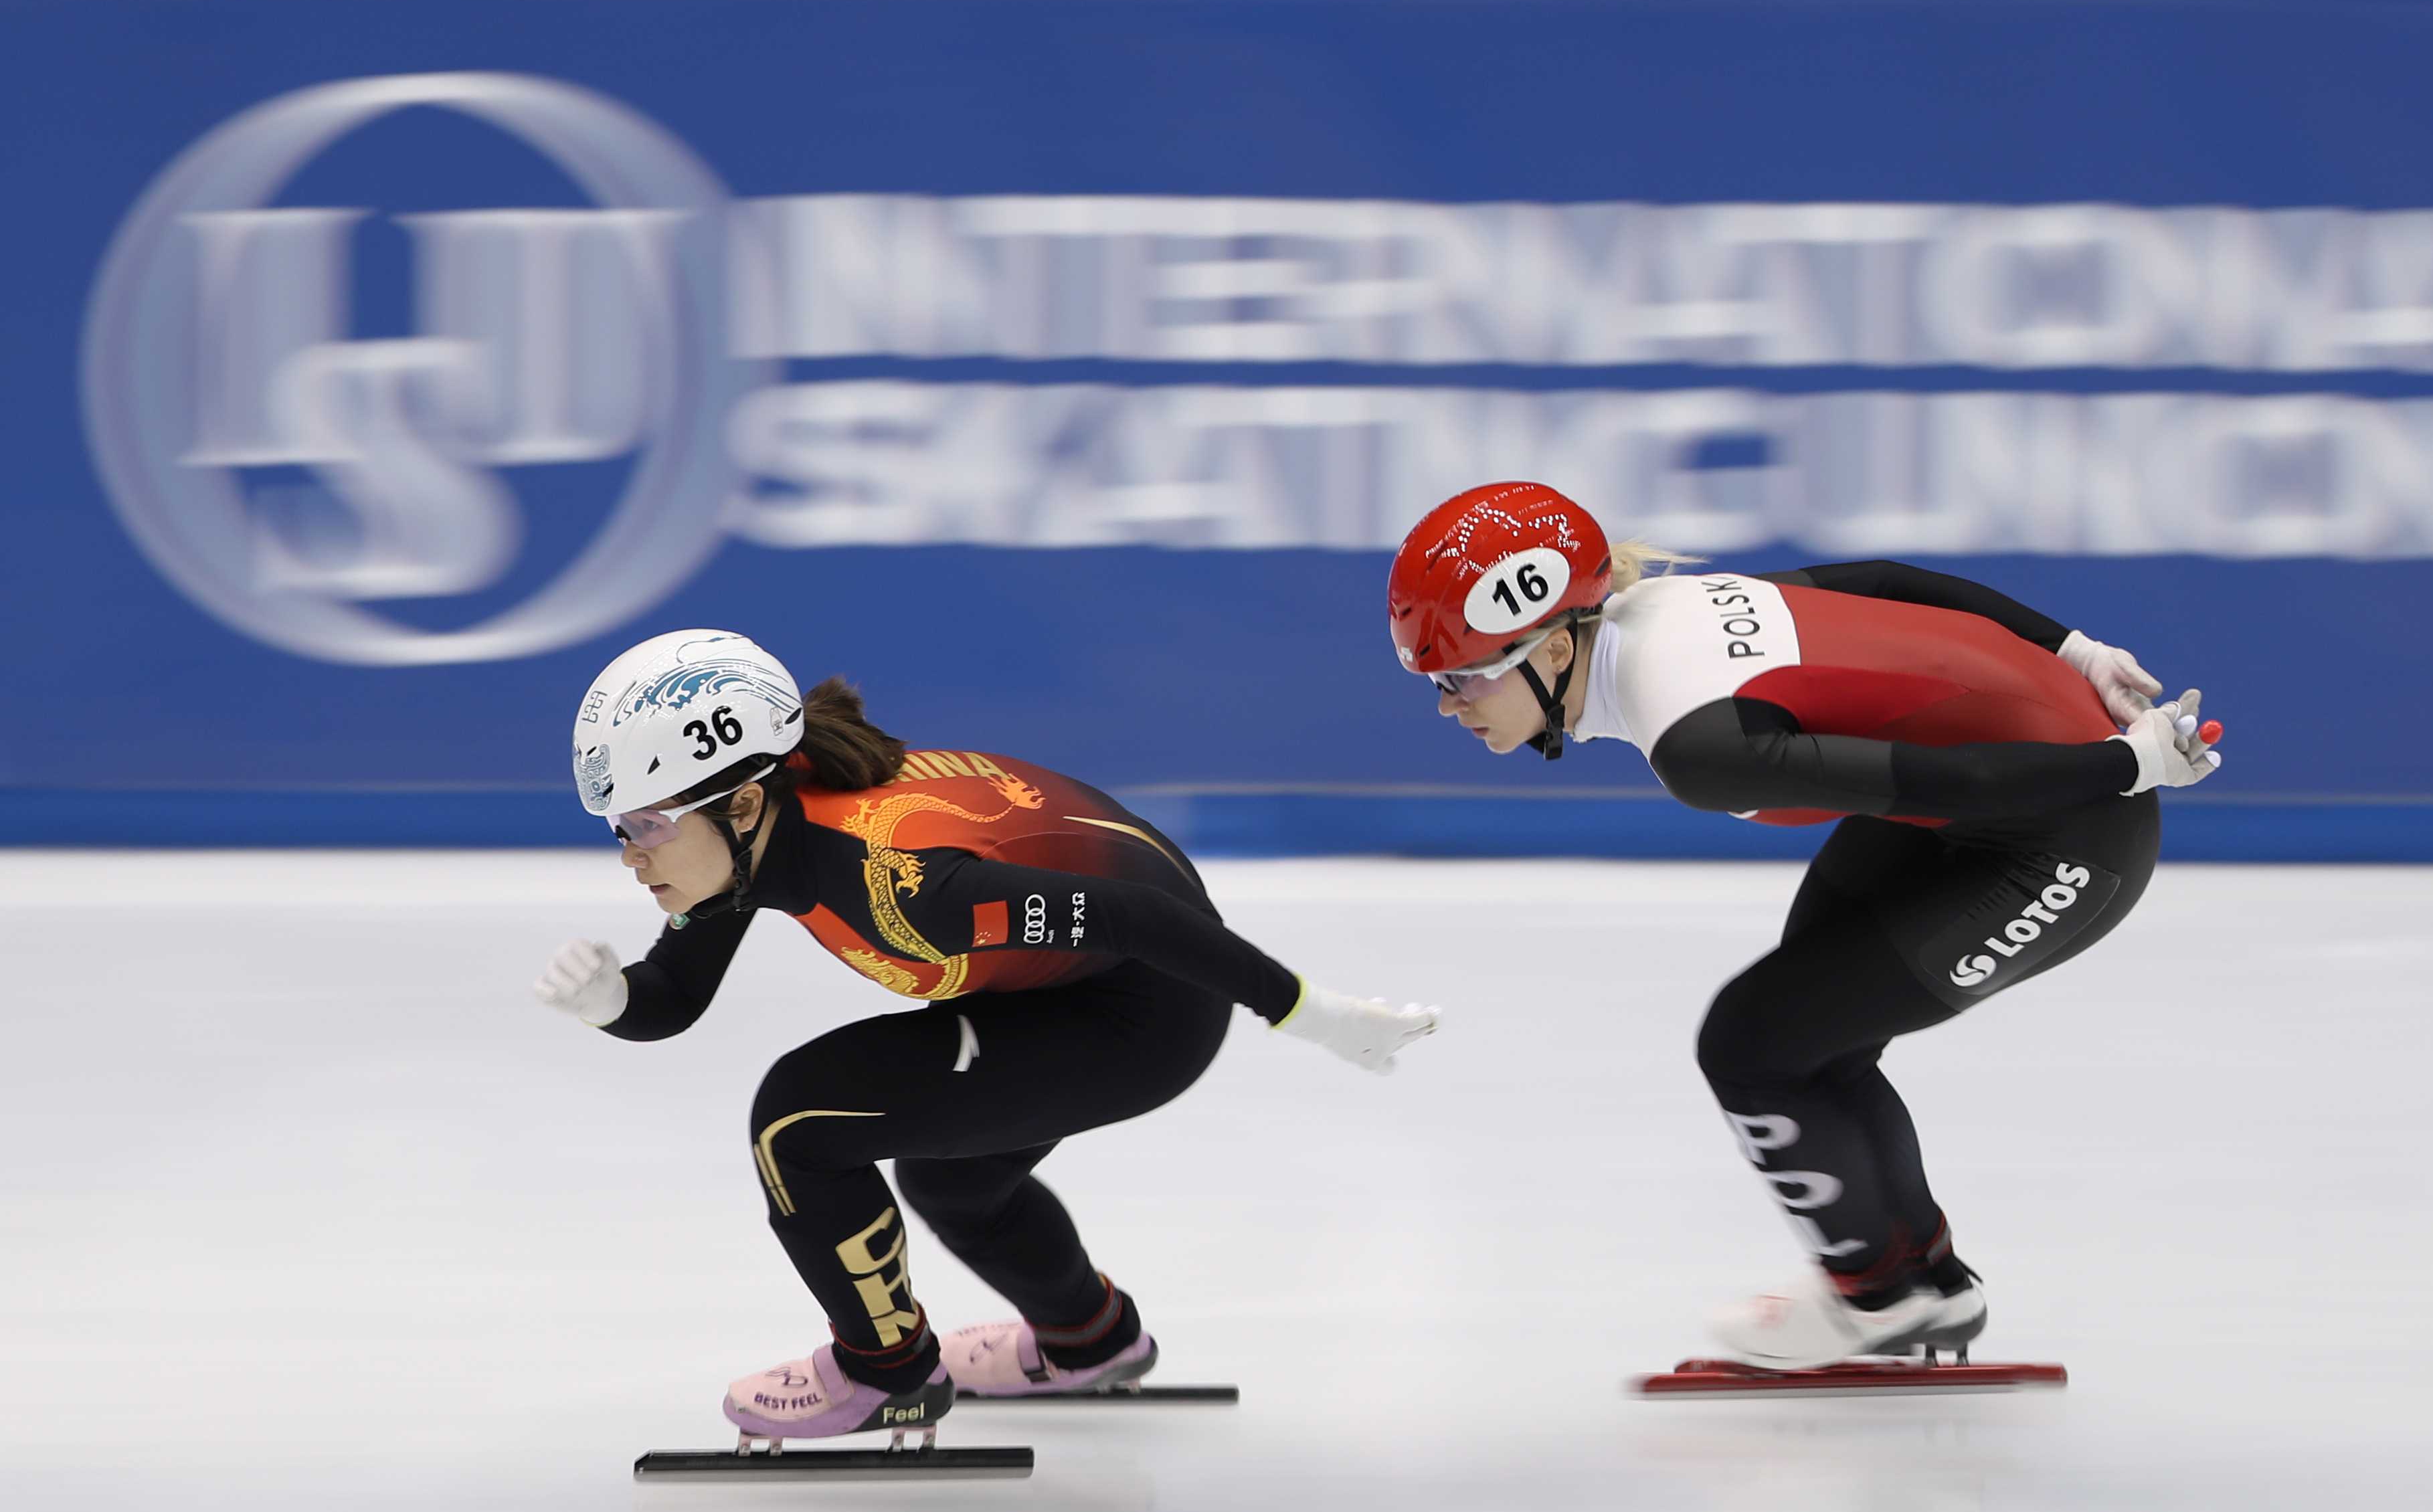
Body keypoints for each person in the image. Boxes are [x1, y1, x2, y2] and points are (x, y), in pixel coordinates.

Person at [1386, 484, 2218, 1369]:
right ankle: (1919, 1284)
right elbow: (1888, 582)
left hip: (2067, 833)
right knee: (1808, 1042)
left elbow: (1956, 781)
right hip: (2000, 805)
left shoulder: (1699, 746)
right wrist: (2074, 649)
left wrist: (2120, 765)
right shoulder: (1662, 608)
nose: (1448, 704)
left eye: (1462, 677)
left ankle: (1875, 1298)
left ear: (1555, 650)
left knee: (1751, 1043)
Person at [534, 630, 1439, 1439]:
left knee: (798, 1122)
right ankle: (1087, 1339)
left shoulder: (900, 887)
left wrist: (1311, 1013)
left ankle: (885, 1373)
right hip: (1072, 986)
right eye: (620, 826)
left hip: (1147, 1008)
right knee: (955, 1175)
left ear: (740, 804)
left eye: (647, 824)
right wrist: (613, 998)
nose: (629, 853)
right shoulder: (767, 827)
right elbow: (673, 997)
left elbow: (1138, 918)